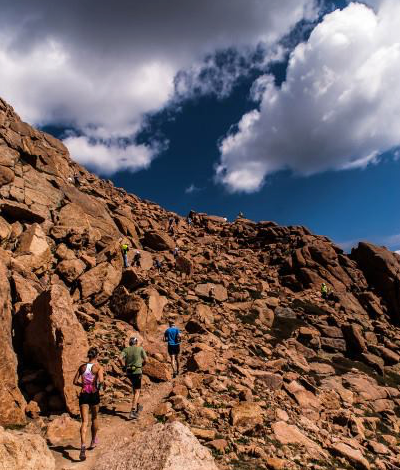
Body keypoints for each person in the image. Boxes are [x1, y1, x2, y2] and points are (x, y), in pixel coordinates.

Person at [73, 347, 104, 461]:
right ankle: (93, 441)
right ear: (96, 356)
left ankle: (82, 446)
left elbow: (74, 381)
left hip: (84, 394)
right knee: (95, 418)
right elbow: (101, 381)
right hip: (94, 394)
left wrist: (83, 386)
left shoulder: (82, 367)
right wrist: (99, 388)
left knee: (84, 421)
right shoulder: (98, 367)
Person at [120, 337, 147, 420]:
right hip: (137, 371)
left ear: (130, 343)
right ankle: (133, 411)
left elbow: (119, 358)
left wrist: (124, 367)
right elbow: (146, 359)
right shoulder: (140, 349)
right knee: (137, 391)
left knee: (135, 390)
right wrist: (142, 365)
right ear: (136, 342)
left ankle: (137, 405)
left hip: (129, 372)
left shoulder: (126, 350)